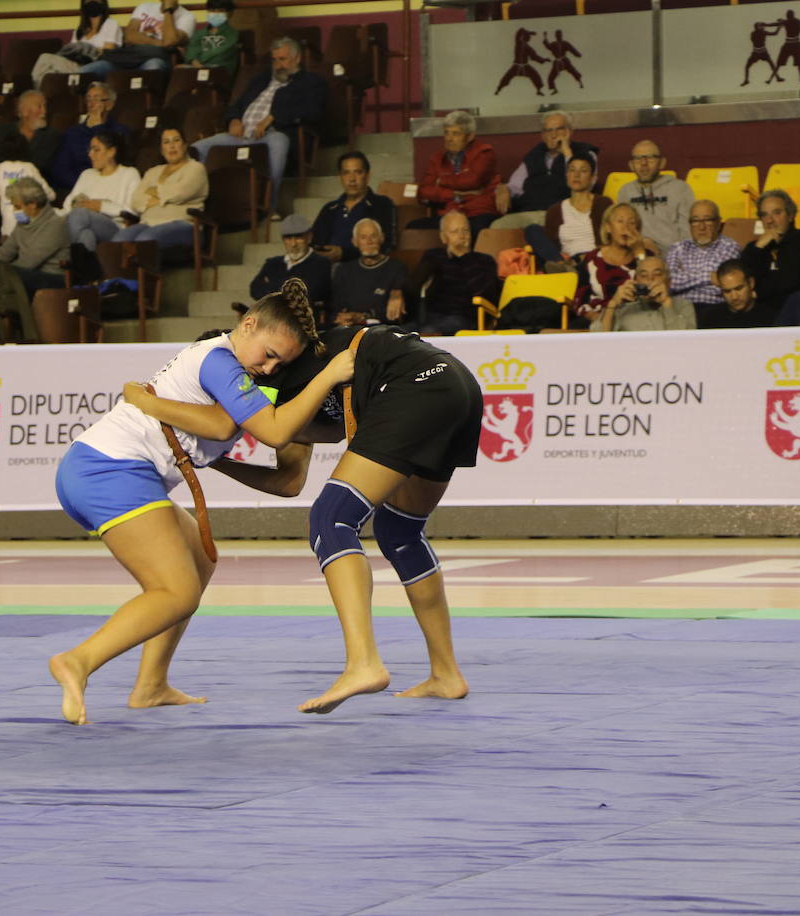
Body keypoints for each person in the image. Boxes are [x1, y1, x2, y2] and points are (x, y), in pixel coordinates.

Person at [128, 321, 482, 714]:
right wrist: (217, 462)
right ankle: (446, 674)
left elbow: (240, 425)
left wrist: (151, 404)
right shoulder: (282, 387)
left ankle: (363, 663)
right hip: (454, 383)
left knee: (332, 520)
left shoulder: (268, 367)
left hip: (411, 386)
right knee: (400, 531)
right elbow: (289, 480)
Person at [47, 280, 355, 724]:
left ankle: (151, 685)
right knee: (176, 592)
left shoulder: (242, 380)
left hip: (112, 472)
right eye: (268, 353)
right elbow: (269, 431)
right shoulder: (217, 357)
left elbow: (287, 477)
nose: (269, 369)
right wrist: (328, 376)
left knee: (199, 560)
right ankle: (77, 661)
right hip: (107, 470)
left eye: (280, 363)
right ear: (247, 324)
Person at [191, 37, 326, 210]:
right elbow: (237, 105)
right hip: (240, 135)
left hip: (274, 134)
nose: (278, 65)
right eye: (274, 60)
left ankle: (271, 205)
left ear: (297, 58)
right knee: (197, 148)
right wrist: (234, 119)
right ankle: (197, 201)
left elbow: (312, 112)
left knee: (279, 143)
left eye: (282, 59)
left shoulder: (311, 82)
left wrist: (274, 117)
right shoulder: (260, 80)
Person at [493, 110, 599, 250]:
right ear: (542, 135)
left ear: (570, 131)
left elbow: (585, 185)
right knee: (495, 229)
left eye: (559, 129)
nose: (553, 135)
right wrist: (503, 189)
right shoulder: (534, 155)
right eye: (548, 130)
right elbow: (514, 186)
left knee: (537, 231)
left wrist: (567, 153)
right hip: (529, 212)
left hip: (563, 213)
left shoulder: (585, 154)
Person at [404, 210, 499, 337]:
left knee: (430, 331)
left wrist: (464, 257)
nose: (462, 235)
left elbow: (481, 292)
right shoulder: (433, 256)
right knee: (395, 334)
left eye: (465, 230)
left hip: (465, 317)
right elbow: (413, 286)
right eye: (455, 231)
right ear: (443, 237)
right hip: (430, 316)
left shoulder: (484, 261)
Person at [113, 126, 207, 248]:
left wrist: (152, 192)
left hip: (183, 224)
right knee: (117, 242)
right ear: (162, 150)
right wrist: (165, 198)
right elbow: (136, 200)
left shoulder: (196, 168)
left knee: (145, 240)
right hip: (148, 223)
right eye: (166, 142)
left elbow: (180, 192)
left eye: (176, 140)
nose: (172, 146)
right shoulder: (152, 172)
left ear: (184, 145)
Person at [413, 110, 501, 237]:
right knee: (414, 227)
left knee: (474, 231)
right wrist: (453, 195)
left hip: (477, 212)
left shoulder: (484, 153)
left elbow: (472, 181)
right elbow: (423, 191)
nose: (449, 139)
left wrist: (441, 181)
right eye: (446, 133)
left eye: (455, 134)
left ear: (470, 136)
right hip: (449, 213)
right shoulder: (437, 158)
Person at [738, 189, 800, 315]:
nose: (770, 220)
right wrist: (758, 247)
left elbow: (793, 280)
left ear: (791, 215)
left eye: (776, 213)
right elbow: (741, 282)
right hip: (761, 314)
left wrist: (760, 291)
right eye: (764, 215)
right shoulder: (754, 248)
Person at [310, 152, 397, 263]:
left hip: (364, 268)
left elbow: (386, 246)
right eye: (346, 173)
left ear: (367, 175)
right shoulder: (330, 209)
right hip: (328, 268)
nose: (352, 179)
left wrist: (344, 253)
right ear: (340, 177)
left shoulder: (381, 204)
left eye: (358, 172)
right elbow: (314, 244)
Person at [575, 202, 653, 324]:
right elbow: (580, 302)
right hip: (598, 320)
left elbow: (650, 294)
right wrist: (600, 321)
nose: (626, 227)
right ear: (608, 227)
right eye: (620, 221)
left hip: (636, 320)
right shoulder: (592, 259)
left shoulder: (647, 256)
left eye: (631, 223)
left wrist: (639, 253)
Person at [63, 129, 140, 251]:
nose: (90, 154)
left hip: (114, 227)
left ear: (111, 152)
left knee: (79, 213)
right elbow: (68, 205)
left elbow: (133, 211)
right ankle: (85, 268)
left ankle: (66, 257)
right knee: (86, 235)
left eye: (96, 150)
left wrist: (101, 206)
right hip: (82, 222)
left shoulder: (129, 174)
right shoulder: (87, 174)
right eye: (90, 149)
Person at [0, 178, 70, 298]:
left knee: (11, 275)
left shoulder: (56, 225)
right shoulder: (22, 224)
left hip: (53, 280)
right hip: (28, 274)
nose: (14, 211)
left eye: (18, 206)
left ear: (33, 204)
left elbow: (29, 261)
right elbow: (5, 252)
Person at [665, 200, 741, 318]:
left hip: (713, 309)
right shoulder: (677, 248)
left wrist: (684, 280)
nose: (701, 227)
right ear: (690, 225)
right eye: (695, 221)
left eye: (707, 220)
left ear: (718, 223)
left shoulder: (729, 247)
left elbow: (721, 288)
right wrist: (708, 277)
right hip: (678, 311)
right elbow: (668, 284)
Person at [617, 140, 694, 256]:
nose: (643, 163)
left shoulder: (679, 188)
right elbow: (622, 230)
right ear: (631, 165)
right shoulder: (625, 191)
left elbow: (688, 231)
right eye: (638, 158)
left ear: (662, 163)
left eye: (650, 157)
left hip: (674, 256)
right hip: (637, 254)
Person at [50, 82, 129, 194]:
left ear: (109, 105)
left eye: (96, 99)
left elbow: (111, 162)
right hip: (76, 187)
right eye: (88, 99)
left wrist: (99, 127)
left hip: (106, 187)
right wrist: (83, 185)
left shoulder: (119, 131)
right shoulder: (73, 132)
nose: (90, 104)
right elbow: (61, 169)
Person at [81, 0, 195, 77]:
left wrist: (168, 11)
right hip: (127, 58)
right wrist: (160, 42)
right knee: (85, 71)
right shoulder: (145, 7)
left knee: (153, 67)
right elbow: (129, 36)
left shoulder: (187, 17)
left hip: (154, 59)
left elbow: (170, 41)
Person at [248, 214, 332, 317]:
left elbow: (310, 292)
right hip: (273, 319)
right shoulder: (272, 263)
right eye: (288, 238)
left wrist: (271, 286)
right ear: (283, 240)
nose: (293, 244)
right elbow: (254, 288)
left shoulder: (321, 263)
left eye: (298, 237)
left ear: (309, 237)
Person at [328, 219, 407, 327]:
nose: (369, 242)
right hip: (348, 329)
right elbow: (335, 309)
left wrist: (362, 317)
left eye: (373, 236)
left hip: (382, 331)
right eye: (363, 237)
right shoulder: (343, 270)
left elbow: (394, 315)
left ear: (382, 238)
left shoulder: (396, 268)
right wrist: (341, 318)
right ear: (355, 242)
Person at [593, 256, 696, 332]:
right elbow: (598, 341)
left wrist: (667, 305)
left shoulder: (683, 305)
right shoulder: (623, 307)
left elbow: (685, 343)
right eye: (643, 275)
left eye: (657, 274)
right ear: (636, 281)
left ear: (668, 282)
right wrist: (612, 304)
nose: (650, 278)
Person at [541, 151, 610, 268]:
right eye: (572, 170)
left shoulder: (603, 203)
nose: (576, 175)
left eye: (583, 171)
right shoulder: (555, 210)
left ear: (593, 178)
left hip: (597, 260)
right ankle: (562, 266)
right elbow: (550, 245)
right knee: (532, 230)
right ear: (567, 175)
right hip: (568, 263)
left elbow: (610, 241)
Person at [31, 0, 124, 85]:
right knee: (48, 72)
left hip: (96, 65)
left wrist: (88, 49)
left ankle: (37, 95)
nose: (92, 1)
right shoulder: (80, 30)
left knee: (45, 58)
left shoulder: (111, 24)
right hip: (76, 64)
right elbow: (72, 51)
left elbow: (108, 51)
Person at [0, 91, 61, 187]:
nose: (44, 112)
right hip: (1, 187)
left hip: (34, 190)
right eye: (39, 106)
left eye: (45, 106)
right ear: (24, 111)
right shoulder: (2, 132)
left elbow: (41, 167)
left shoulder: (51, 136)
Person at [0, 132, 58, 238]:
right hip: (30, 223)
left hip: (8, 225)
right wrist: (52, 196)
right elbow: (45, 191)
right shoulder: (29, 167)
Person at [699, 259, 775, 329]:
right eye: (727, 291)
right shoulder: (709, 318)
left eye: (739, 288)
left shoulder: (770, 317)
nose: (734, 297)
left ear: (751, 283)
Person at [184, 0, 240, 77]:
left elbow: (222, 53)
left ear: (230, 13)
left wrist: (201, 62)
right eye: (212, 10)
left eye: (221, 11)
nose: (216, 14)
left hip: (221, 70)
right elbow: (192, 52)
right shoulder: (199, 34)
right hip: (197, 69)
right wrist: (196, 63)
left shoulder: (232, 33)